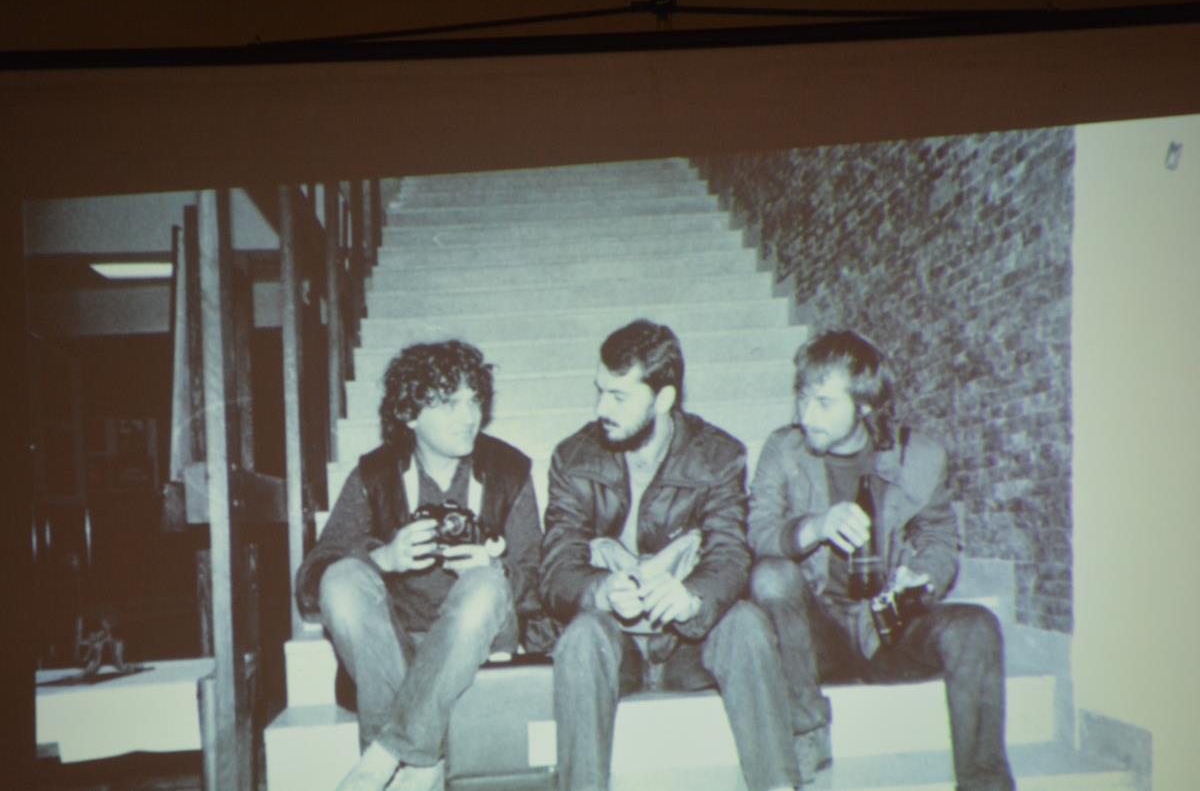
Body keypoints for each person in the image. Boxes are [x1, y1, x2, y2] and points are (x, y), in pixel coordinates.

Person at [541, 319, 801, 791]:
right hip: (614, 645)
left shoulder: (718, 456)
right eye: (600, 391)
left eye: (619, 396)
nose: (601, 408)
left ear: (663, 399)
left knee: (746, 622)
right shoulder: (574, 458)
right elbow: (556, 568)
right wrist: (600, 589)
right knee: (580, 638)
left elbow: (730, 555)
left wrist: (692, 599)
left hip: (687, 647)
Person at [748, 330, 1014, 790]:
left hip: (887, 627)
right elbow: (758, 534)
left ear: (866, 405)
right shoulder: (784, 450)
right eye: (803, 397)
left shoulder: (917, 457)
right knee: (770, 576)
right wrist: (816, 526)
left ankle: (985, 783)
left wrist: (921, 578)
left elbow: (939, 538)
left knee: (976, 627)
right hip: (815, 635)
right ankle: (807, 733)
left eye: (824, 402)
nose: (806, 415)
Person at [294, 340, 542, 791]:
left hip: (479, 646)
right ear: (410, 415)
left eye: (473, 400)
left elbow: (542, 582)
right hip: (395, 650)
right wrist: (382, 559)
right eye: (448, 403)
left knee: (487, 584)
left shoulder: (508, 471)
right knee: (344, 578)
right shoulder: (375, 475)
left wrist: (496, 566)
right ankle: (425, 760)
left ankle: (386, 754)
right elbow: (311, 583)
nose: (468, 416)